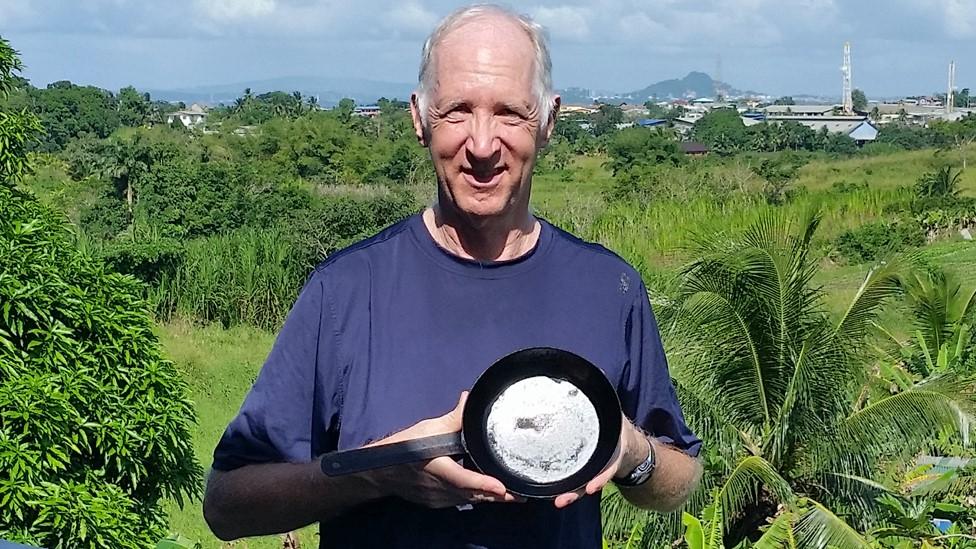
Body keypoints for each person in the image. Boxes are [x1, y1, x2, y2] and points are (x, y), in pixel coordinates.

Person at [203, 4, 702, 548]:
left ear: (549, 120)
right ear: (419, 119)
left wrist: (632, 453)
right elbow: (228, 505)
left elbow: (681, 477)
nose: (483, 145)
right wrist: (378, 470)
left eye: (510, 112)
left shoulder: (610, 288)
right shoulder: (347, 291)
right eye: (457, 111)